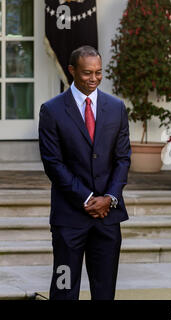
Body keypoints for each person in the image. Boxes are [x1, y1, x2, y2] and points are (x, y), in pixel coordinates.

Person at [38, 46, 131, 300]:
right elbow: (53, 163)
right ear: (72, 71)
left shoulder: (116, 108)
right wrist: (88, 198)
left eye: (99, 73)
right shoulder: (52, 110)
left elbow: (123, 159)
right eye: (87, 73)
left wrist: (109, 198)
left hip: (108, 218)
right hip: (69, 219)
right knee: (64, 288)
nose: (94, 78)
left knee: (105, 292)